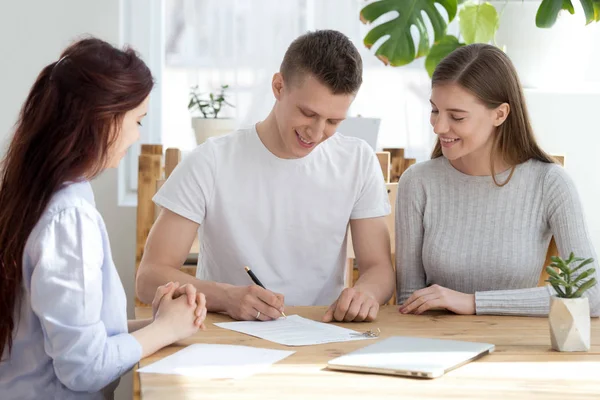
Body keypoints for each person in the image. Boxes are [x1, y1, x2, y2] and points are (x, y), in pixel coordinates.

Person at [136, 30, 395, 323]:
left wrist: (366, 294)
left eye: (333, 121)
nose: (317, 132)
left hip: (321, 332)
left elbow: (379, 270)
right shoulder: (211, 161)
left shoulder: (357, 161)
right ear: (278, 86)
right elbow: (149, 278)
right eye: (308, 113)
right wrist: (226, 297)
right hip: (227, 335)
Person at [0, 38, 207, 400]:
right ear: (105, 121)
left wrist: (162, 325)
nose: (138, 136)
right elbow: (83, 367)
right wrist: (163, 331)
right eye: (137, 120)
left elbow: (68, 337)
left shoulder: (37, 192)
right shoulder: (69, 219)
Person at [396, 43, 600, 317]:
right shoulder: (418, 183)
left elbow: (591, 293)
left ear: (500, 114)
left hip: (519, 350)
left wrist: (473, 303)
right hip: (437, 346)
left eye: (456, 116)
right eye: (435, 110)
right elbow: (409, 301)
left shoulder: (550, 183)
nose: (439, 127)